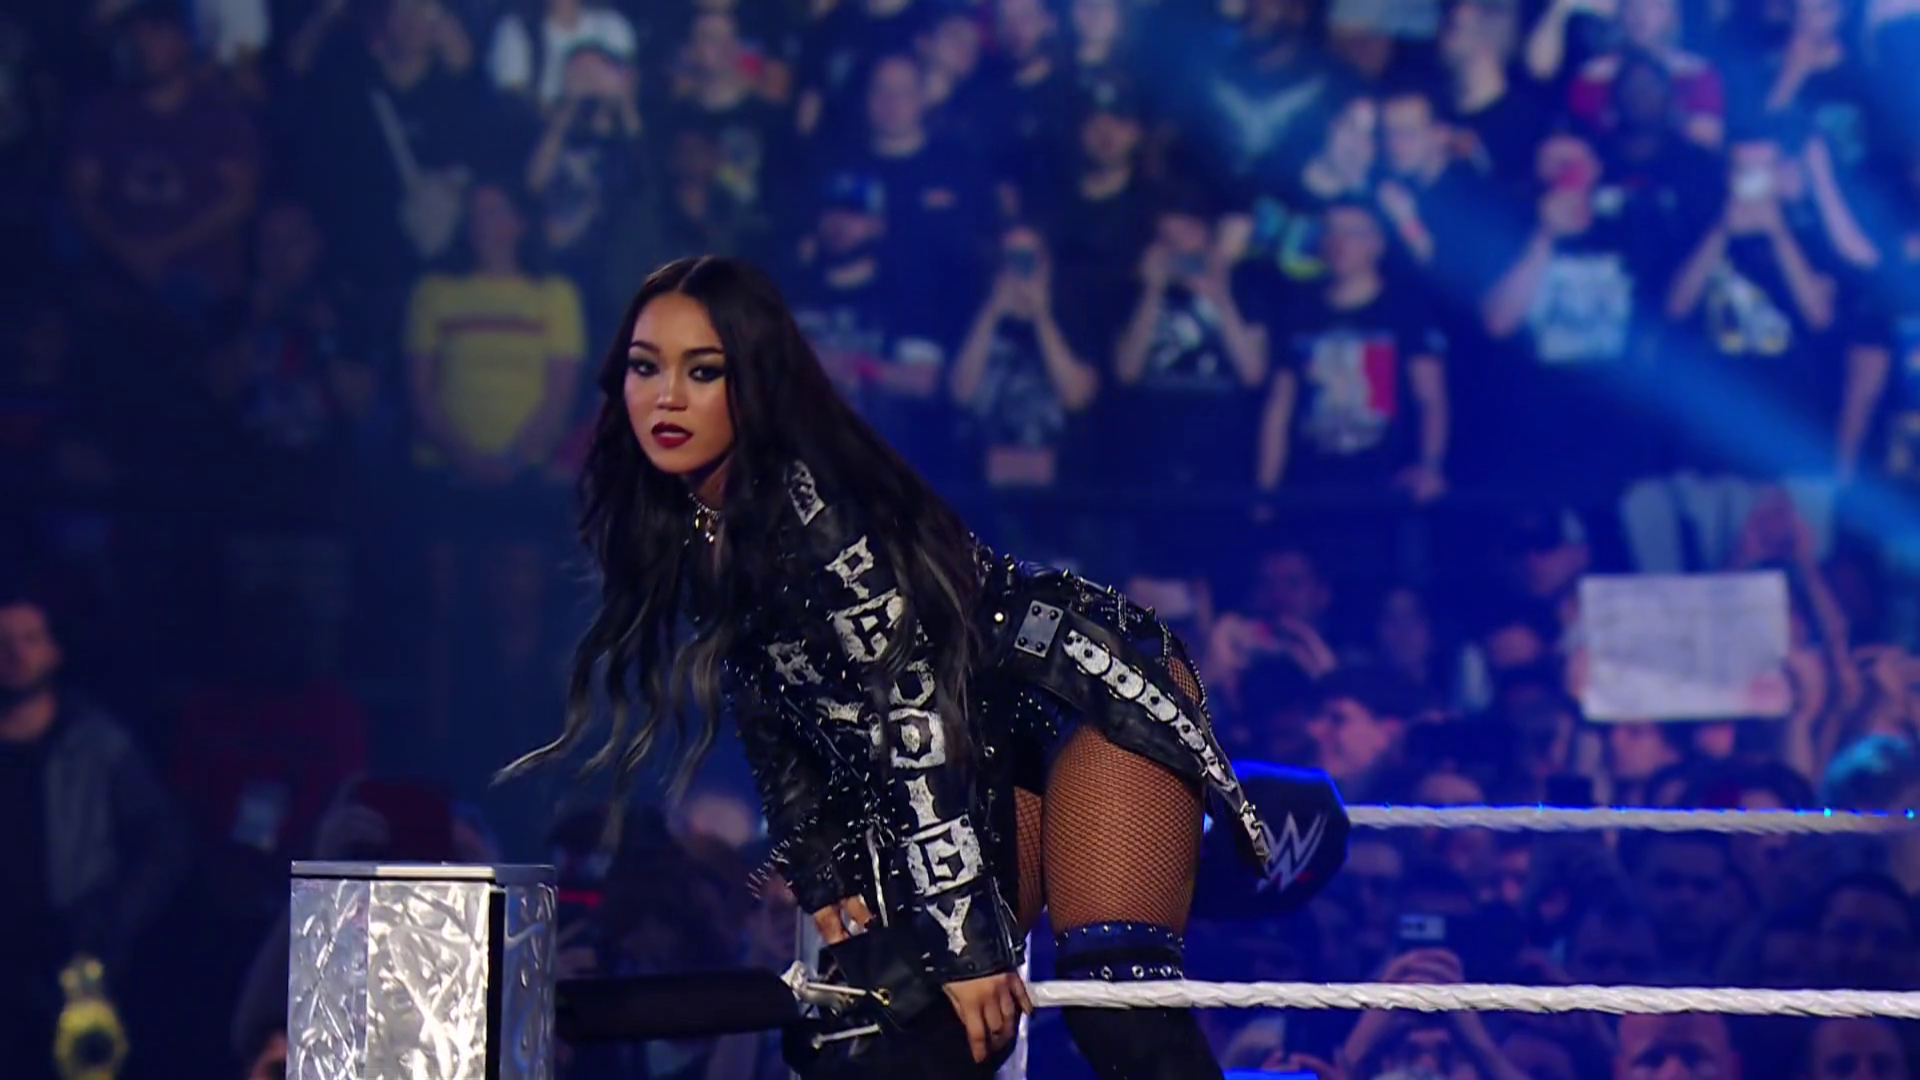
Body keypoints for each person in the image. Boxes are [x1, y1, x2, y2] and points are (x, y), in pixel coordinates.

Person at [504, 256, 1347, 1078]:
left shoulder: (816, 507)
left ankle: (1194, 859)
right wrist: (822, 869)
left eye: (703, 371)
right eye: (645, 366)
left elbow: (915, 710)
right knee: (907, 1037)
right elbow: (768, 706)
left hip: (1072, 692)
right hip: (974, 744)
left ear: (754, 379)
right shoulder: (692, 520)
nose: (667, 396)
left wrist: (969, 947)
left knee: (1112, 1006)